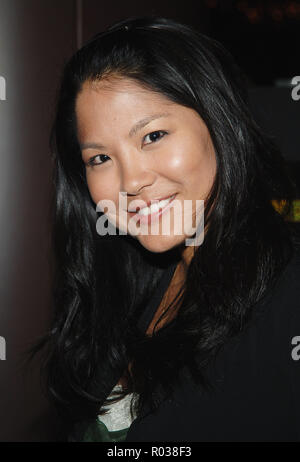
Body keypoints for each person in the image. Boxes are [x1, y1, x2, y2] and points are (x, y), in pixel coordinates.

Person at [27, 16, 300, 442]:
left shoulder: (286, 295)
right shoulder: (133, 281)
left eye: (153, 135)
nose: (131, 181)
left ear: (219, 123)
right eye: (100, 158)